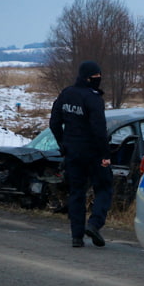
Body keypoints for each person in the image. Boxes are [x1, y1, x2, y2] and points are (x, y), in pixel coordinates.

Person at [49, 61, 112, 248]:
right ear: (88, 78)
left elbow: (54, 123)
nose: (98, 81)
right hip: (93, 153)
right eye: (96, 78)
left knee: (76, 193)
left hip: (72, 153)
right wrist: (105, 155)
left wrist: (63, 144)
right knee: (105, 187)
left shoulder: (66, 94)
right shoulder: (93, 99)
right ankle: (94, 224)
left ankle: (76, 237)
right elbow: (100, 130)